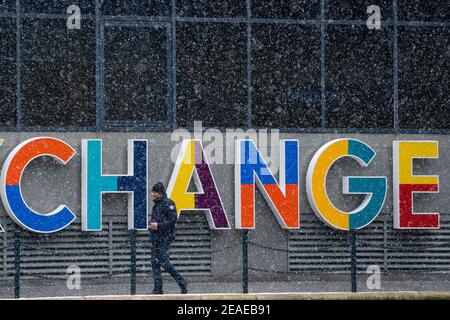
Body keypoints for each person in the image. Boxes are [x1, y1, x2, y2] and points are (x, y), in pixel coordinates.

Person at [149, 182, 188, 295]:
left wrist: (158, 226)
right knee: (154, 263)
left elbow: (172, 220)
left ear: (160, 193)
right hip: (156, 238)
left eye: (154, 192)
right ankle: (158, 289)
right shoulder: (156, 204)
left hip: (165, 238)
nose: (152, 194)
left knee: (164, 262)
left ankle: (182, 281)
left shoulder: (169, 203)